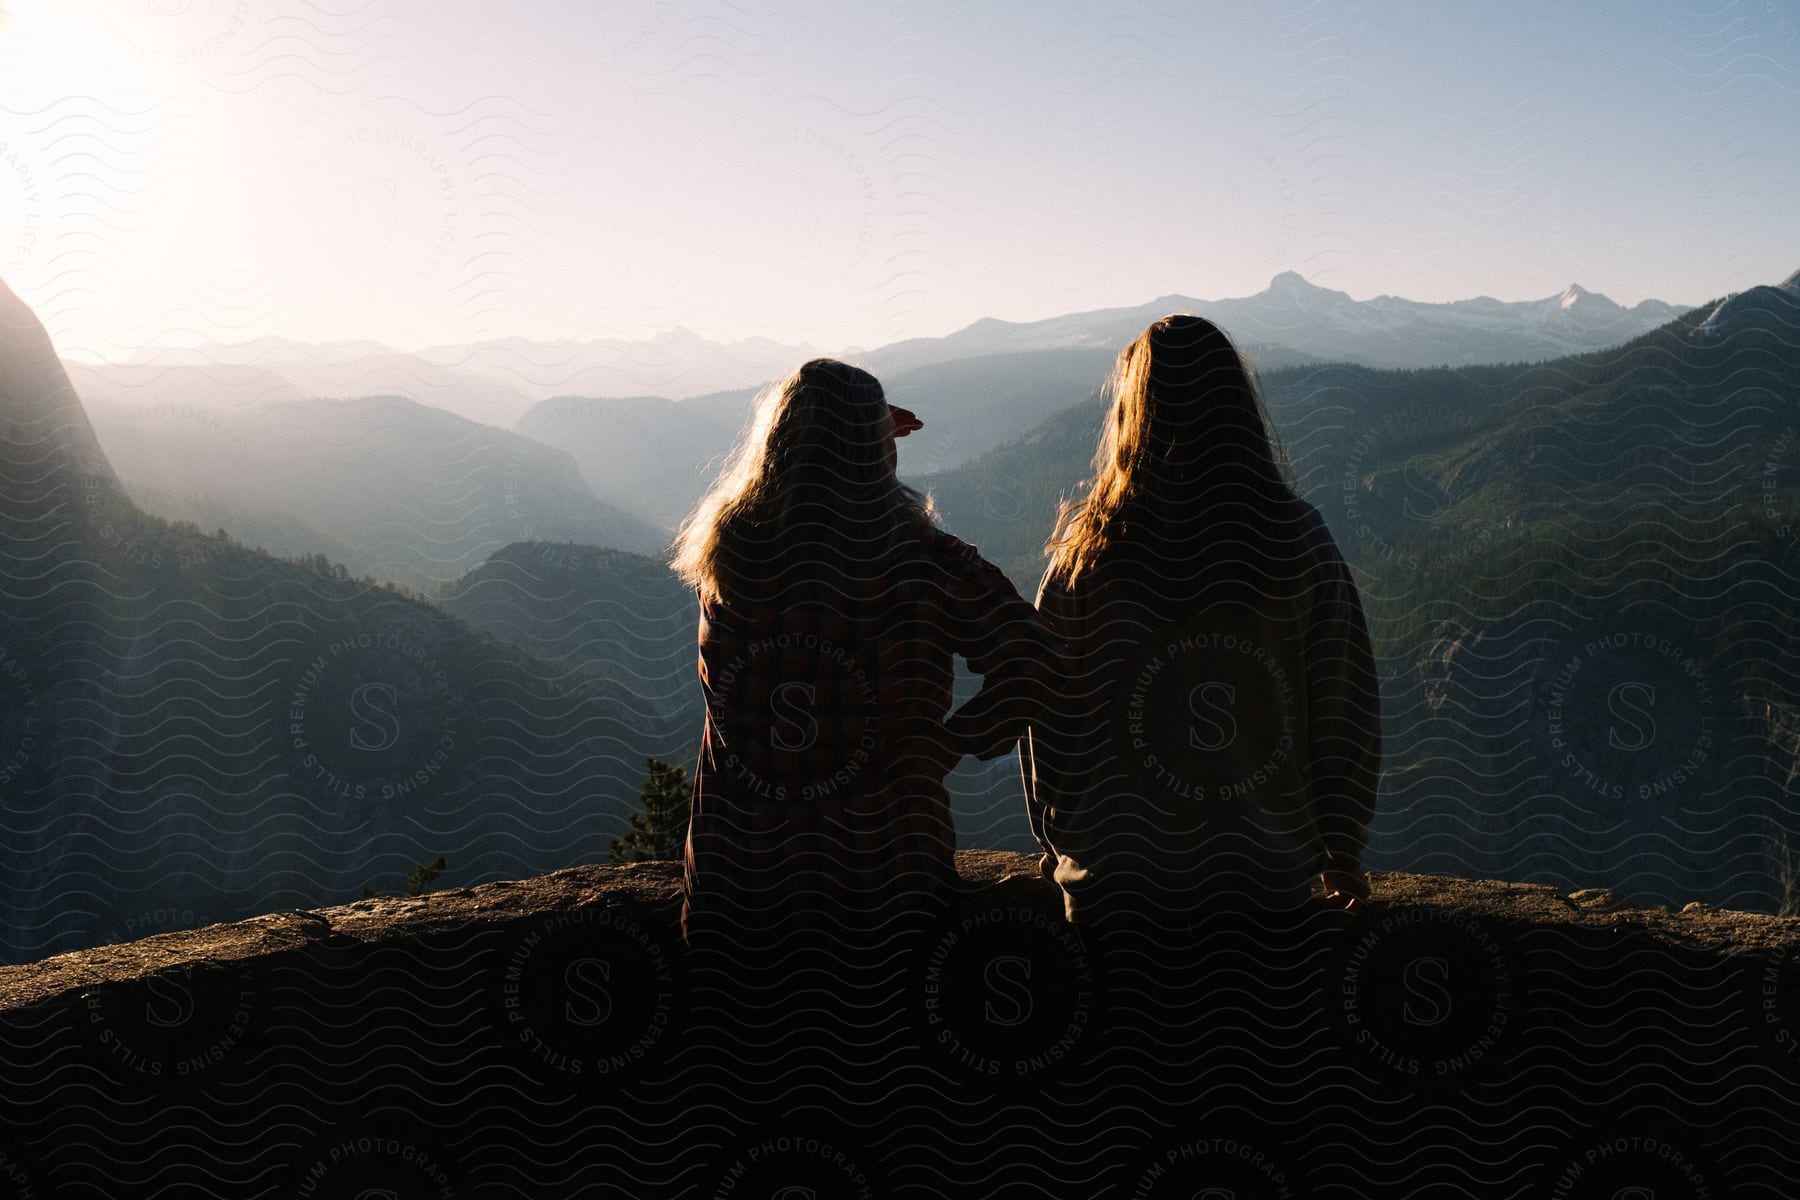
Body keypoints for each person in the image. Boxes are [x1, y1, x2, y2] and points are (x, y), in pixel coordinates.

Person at [671, 356, 1064, 964]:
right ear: (879, 452)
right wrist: (955, 740)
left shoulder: (725, 562)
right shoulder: (924, 566)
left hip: (738, 887)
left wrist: (845, 427)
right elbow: (1041, 662)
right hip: (885, 883)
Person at [1022, 313, 1381, 934]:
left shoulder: (1087, 554)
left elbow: (1045, 717)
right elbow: (1343, 708)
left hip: (1114, 885)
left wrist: (1061, 845)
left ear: (1133, 414)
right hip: (1262, 883)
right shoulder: (1297, 541)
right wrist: (1341, 852)